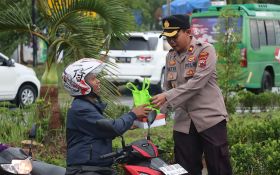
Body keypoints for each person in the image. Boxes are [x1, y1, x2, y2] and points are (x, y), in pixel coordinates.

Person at [151, 14, 232, 175]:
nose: (171, 41)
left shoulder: (205, 50)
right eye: (168, 38)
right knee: (185, 169)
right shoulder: (170, 56)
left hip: (210, 119)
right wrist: (153, 112)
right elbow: (168, 88)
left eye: (174, 36)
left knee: (219, 167)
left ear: (188, 31)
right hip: (184, 122)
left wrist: (167, 96)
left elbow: (196, 84)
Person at [62, 58, 151, 175]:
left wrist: (128, 124)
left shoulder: (86, 105)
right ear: (81, 84)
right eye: (93, 79)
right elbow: (112, 128)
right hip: (85, 170)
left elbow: (101, 130)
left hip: (97, 168)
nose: (98, 81)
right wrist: (132, 114)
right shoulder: (81, 109)